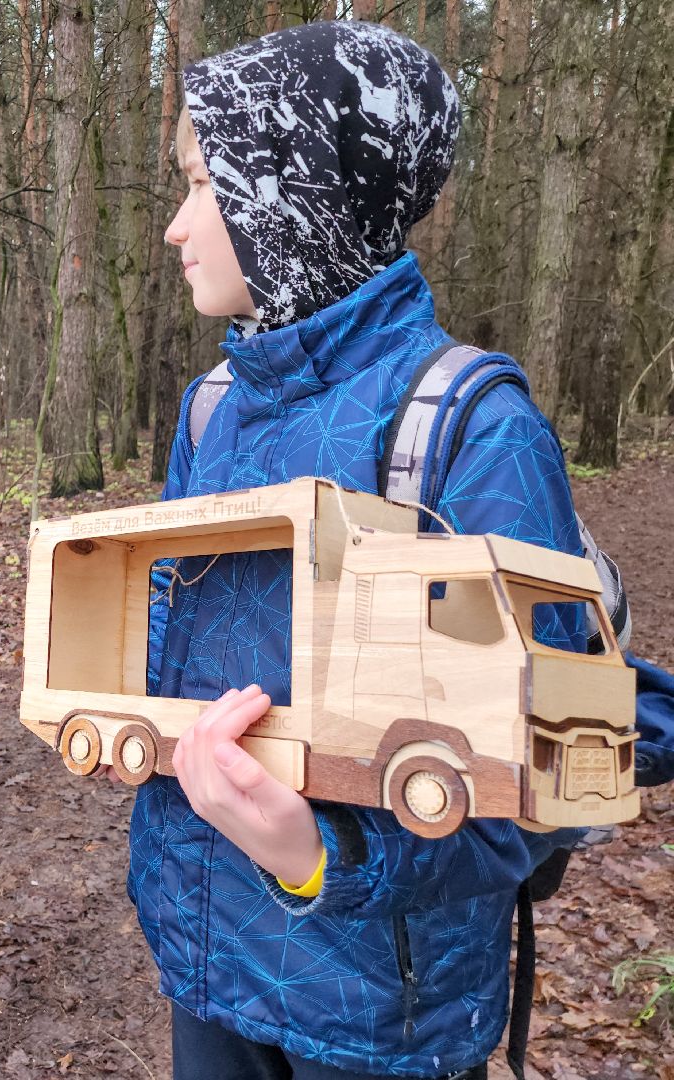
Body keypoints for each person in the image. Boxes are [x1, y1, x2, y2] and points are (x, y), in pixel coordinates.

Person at [136, 21, 585, 1080]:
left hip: (383, 1011)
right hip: (206, 961)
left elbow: (555, 768)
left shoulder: (470, 427)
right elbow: (167, 649)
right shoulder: (211, 411)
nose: (175, 227)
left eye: (203, 185)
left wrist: (316, 856)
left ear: (296, 196)